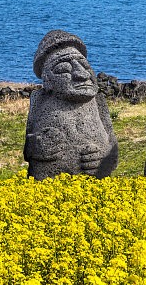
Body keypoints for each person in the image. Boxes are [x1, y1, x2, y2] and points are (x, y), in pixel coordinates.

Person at [24, 30, 118, 180]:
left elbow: (113, 149)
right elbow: (28, 150)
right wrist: (37, 146)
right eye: (64, 69)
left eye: (85, 66)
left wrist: (103, 158)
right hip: (48, 189)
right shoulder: (40, 99)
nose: (82, 74)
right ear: (47, 79)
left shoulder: (98, 101)